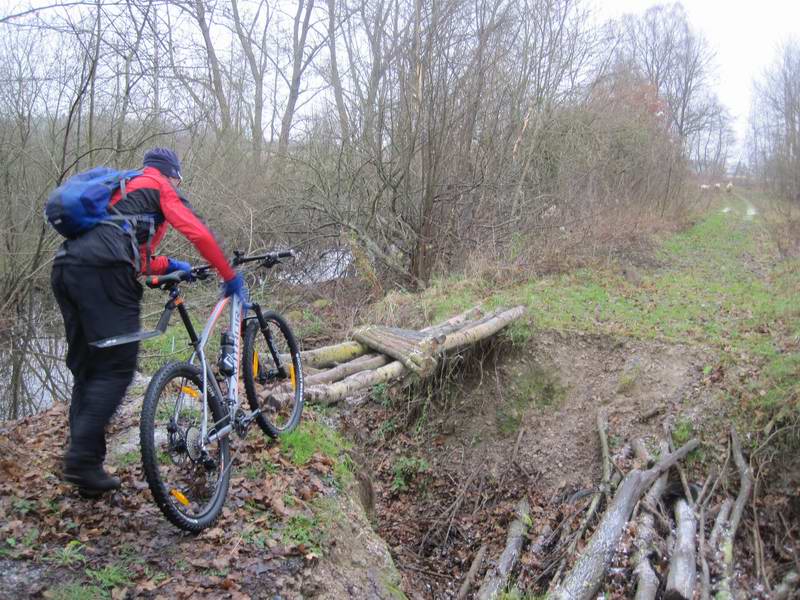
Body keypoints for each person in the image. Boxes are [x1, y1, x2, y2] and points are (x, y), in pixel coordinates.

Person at [51, 148, 246, 493]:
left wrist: (170, 265)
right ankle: (81, 460)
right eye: (179, 178)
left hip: (67, 268)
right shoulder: (158, 185)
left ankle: (87, 470)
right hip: (105, 270)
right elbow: (197, 232)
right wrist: (228, 274)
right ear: (172, 174)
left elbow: (138, 259)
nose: (178, 183)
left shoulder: (121, 192)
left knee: (88, 370)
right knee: (116, 369)